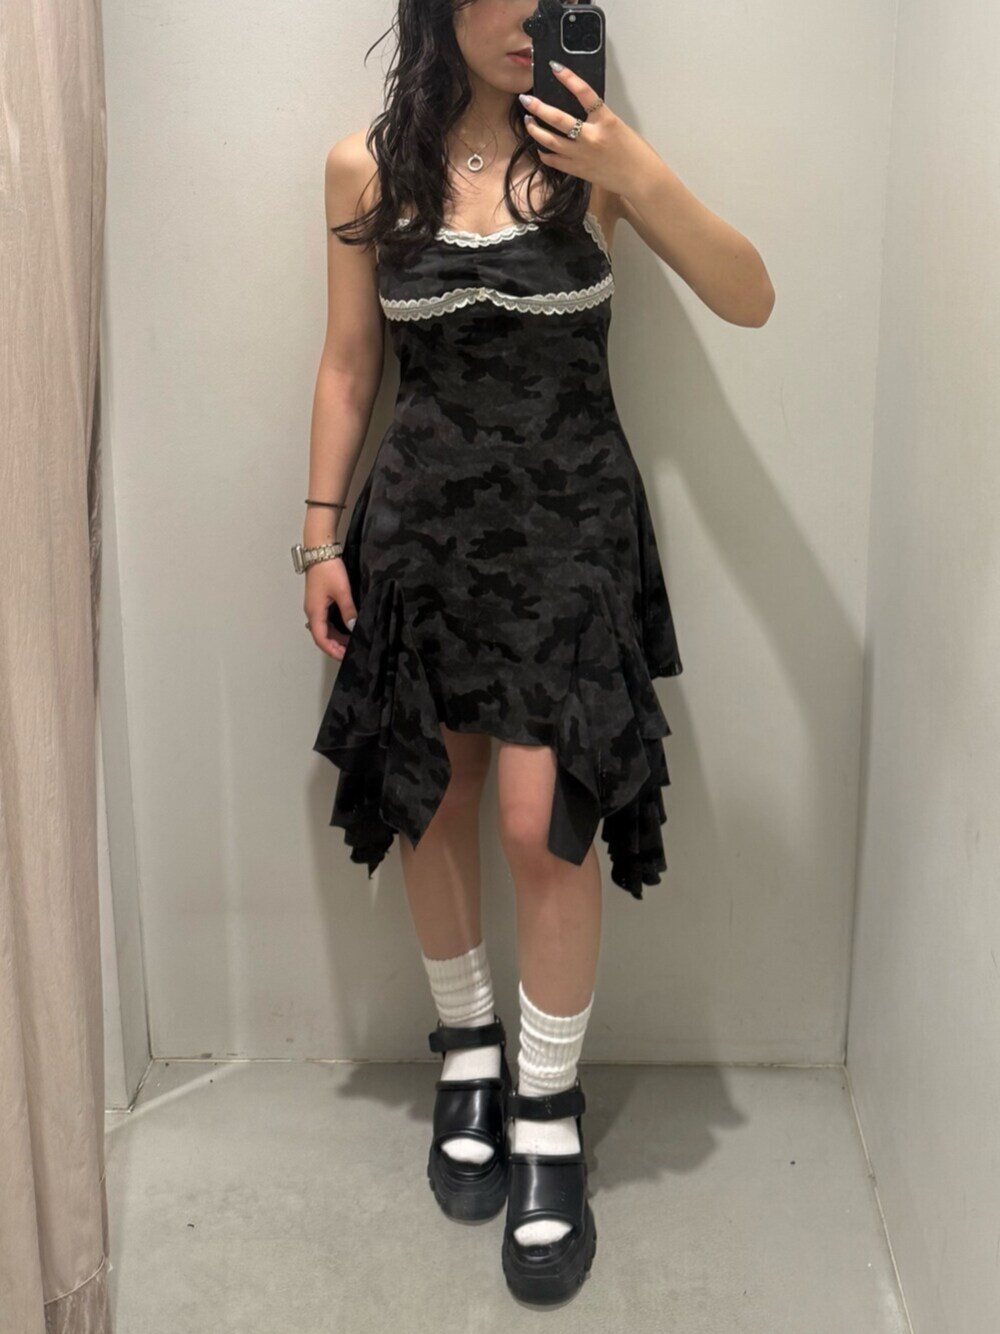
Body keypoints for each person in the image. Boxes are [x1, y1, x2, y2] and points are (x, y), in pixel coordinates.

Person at [296, 0, 774, 1306]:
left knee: (539, 821)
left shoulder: (596, 156)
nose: (524, 15)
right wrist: (320, 535)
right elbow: (349, 367)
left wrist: (635, 170)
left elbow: (751, 298)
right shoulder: (364, 169)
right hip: (421, 535)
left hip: (571, 536)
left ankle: (547, 1106)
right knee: (431, 787)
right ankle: (468, 1052)